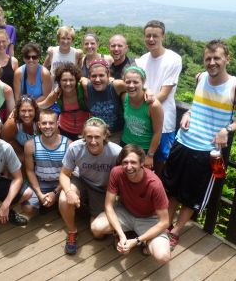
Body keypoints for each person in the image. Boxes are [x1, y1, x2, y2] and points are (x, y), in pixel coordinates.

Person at [162, 39, 236, 251]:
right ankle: (164, 225)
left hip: (207, 151)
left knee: (192, 195)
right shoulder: (200, 77)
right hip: (183, 141)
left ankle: (175, 232)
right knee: (172, 189)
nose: (212, 62)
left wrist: (227, 130)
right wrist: (190, 113)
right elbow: (198, 103)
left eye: (216, 58)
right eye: (208, 58)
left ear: (227, 59)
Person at [91, 144, 171, 264]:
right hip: (125, 211)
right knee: (96, 227)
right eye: (125, 162)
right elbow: (108, 205)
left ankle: (142, 240)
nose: (129, 167)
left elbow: (165, 222)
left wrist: (137, 241)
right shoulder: (116, 172)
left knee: (163, 256)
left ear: (142, 163)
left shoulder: (154, 184)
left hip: (148, 218)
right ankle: (126, 235)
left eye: (133, 162)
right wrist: (121, 235)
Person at [59, 117, 122, 255]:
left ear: (105, 135)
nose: (93, 141)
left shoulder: (116, 152)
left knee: (98, 234)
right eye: (89, 137)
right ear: (83, 136)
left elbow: (122, 180)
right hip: (81, 180)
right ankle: (72, 231)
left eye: (97, 137)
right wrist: (69, 191)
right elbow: (64, 174)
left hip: (102, 188)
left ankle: (93, 212)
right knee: (64, 199)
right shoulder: (75, 148)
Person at [136, 20, 182, 176]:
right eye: (148, 35)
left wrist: (147, 107)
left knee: (161, 159)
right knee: (142, 157)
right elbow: (139, 85)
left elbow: (164, 93)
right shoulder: (141, 60)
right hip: (143, 118)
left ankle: (157, 192)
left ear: (163, 37)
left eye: (155, 36)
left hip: (164, 120)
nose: (151, 39)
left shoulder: (174, 59)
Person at [23, 109, 71, 214]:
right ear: (39, 125)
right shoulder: (30, 145)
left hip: (61, 183)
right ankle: (47, 202)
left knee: (69, 202)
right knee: (28, 209)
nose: (47, 126)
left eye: (51, 123)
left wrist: (55, 192)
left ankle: (54, 201)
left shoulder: (68, 145)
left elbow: (70, 173)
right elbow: (30, 171)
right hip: (41, 182)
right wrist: (39, 194)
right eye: (44, 123)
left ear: (57, 124)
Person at [120, 66, 163, 169]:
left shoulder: (153, 106)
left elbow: (158, 132)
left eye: (135, 82)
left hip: (145, 149)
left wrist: (150, 155)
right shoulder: (124, 98)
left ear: (143, 82)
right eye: (128, 82)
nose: (131, 85)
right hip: (126, 144)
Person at [38, 62, 90, 141]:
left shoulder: (83, 88)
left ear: (76, 80)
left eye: (71, 80)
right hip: (64, 131)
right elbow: (43, 105)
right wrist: (23, 106)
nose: (68, 83)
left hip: (85, 131)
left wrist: (85, 80)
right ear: (59, 82)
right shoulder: (56, 94)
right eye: (64, 80)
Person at [1, 95, 39, 163]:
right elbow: (7, 141)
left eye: (30, 110)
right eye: (23, 111)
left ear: (35, 111)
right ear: (18, 111)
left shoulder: (40, 122)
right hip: (19, 151)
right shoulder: (12, 124)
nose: (26, 114)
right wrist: (24, 154)